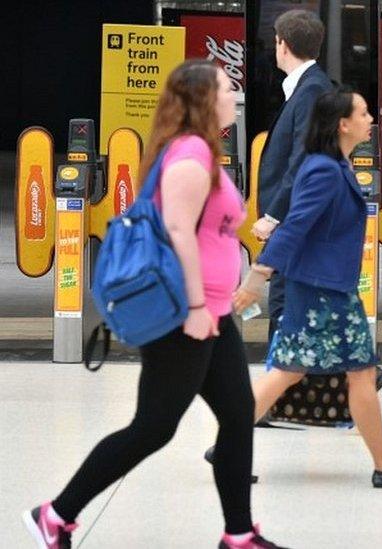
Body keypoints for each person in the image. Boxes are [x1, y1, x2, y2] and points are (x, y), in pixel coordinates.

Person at [22, 60, 288, 549]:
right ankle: (55, 515)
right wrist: (193, 307)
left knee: (237, 414)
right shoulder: (188, 155)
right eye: (229, 90)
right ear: (203, 100)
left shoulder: (203, 152)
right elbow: (178, 230)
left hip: (213, 311)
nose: (235, 97)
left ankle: (238, 535)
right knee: (153, 428)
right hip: (181, 315)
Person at [234, 88, 382, 489]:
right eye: (363, 113)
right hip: (326, 292)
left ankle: (227, 447)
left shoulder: (332, 165)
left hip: (323, 286)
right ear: (343, 124)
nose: (370, 119)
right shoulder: (324, 170)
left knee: (290, 371)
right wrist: (256, 280)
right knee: (359, 371)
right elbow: (294, 227)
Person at [251, 9, 333, 340]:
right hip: (296, 222)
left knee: (285, 305)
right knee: (293, 305)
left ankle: (283, 382)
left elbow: (302, 158)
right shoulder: (306, 87)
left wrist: (273, 215)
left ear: (281, 45)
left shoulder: (311, 89)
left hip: (294, 222)